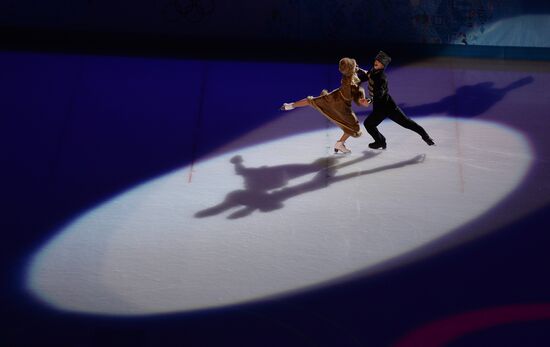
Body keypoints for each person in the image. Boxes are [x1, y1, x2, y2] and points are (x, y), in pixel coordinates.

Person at [280, 57, 371, 154]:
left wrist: (362, 73)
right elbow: (362, 102)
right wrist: (368, 100)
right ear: (351, 69)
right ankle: (340, 143)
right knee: (354, 127)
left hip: (333, 97)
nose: (357, 66)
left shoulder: (348, 76)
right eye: (354, 66)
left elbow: (358, 73)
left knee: (312, 101)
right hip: (341, 106)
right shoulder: (352, 84)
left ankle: (289, 106)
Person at [356, 51, 435, 149]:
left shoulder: (381, 77)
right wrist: (356, 70)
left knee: (406, 123)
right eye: (376, 60)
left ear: (383, 65)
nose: (376, 62)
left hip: (387, 107)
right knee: (369, 124)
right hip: (379, 108)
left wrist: (368, 100)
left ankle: (426, 137)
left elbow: (379, 93)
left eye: (380, 61)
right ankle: (380, 141)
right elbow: (367, 75)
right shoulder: (373, 70)